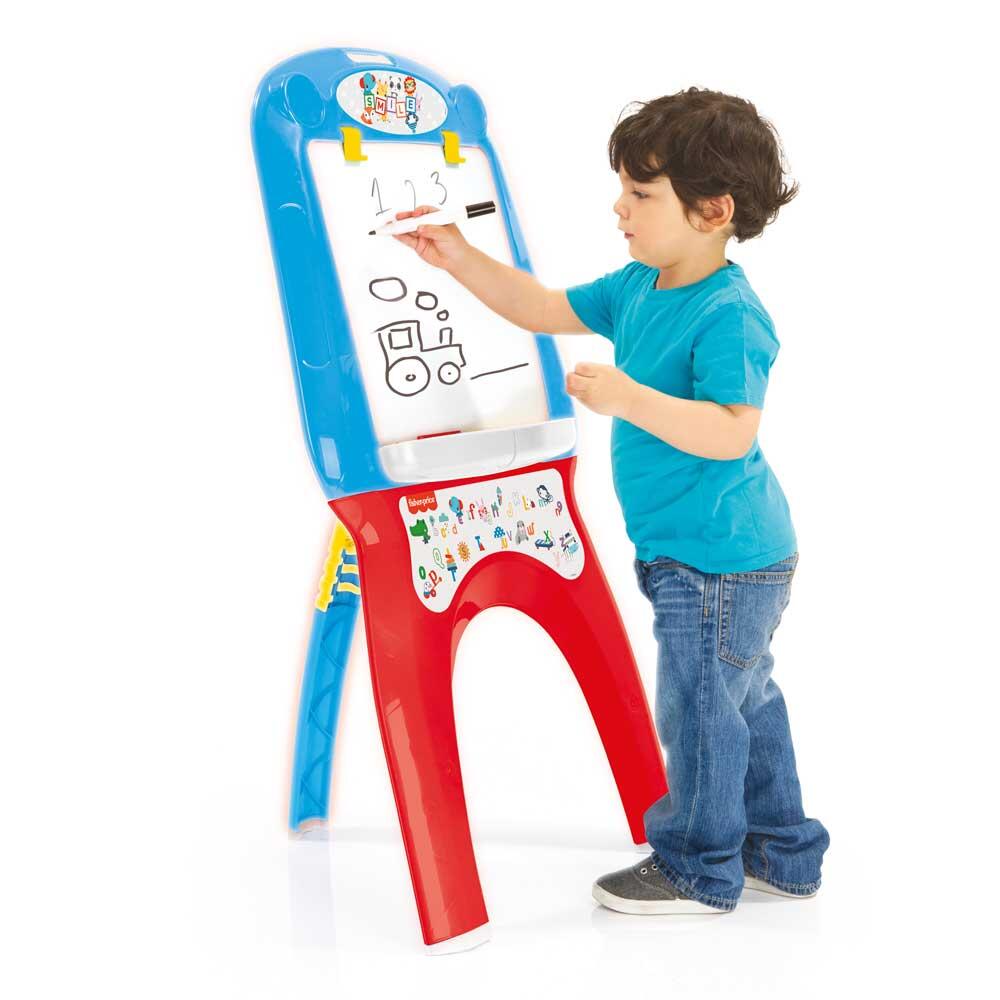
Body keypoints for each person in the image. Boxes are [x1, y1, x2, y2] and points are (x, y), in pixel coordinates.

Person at [392, 87, 830, 916]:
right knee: (743, 701)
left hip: (720, 560)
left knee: (701, 712)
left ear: (713, 210)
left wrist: (628, 397)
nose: (619, 208)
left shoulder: (730, 314)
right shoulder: (637, 287)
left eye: (641, 193)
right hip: (699, 553)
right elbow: (543, 307)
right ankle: (782, 853)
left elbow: (731, 430)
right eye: (623, 189)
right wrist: (458, 256)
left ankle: (699, 867)